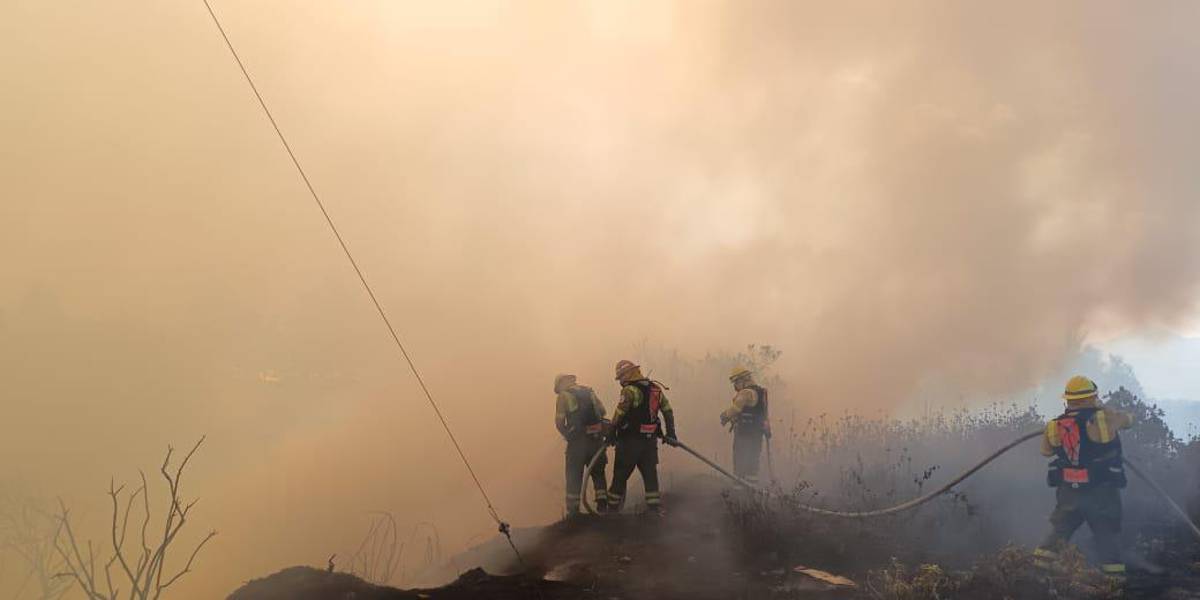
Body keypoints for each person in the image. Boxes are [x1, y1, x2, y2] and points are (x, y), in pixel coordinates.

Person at [1033, 375, 1134, 579]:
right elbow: (1129, 421)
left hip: (1069, 491)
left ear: (1068, 400)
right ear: (1091, 397)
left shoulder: (1054, 426)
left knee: (1059, 530)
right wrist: (1106, 409)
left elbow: (1046, 452)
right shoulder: (1105, 418)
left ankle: (1036, 573)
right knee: (1106, 534)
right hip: (1101, 491)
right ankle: (1114, 582)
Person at [606, 360, 678, 515]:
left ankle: (611, 510)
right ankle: (654, 508)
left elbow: (620, 413)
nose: (621, 382)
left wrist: (611, 432)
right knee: (650, 474)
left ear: (628, 374)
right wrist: (670, 433)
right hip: (649, 441)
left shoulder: (629, 391)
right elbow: (668, 411)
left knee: (620, 475)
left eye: (621, 377)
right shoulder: (655, 389)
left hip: (630, 441)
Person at [554, 373, 609, 516]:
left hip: (577, 443)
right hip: (596, 440)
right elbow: (602, 411)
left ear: (561, 384)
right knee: (598, 473)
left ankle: (574, 511)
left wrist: (568, 435)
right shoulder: (589, 391)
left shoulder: (563, 396)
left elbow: (559, 422)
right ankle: (602, 506)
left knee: (573, 475)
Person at [720, 366, 771, 484]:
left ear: (742, 379)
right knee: (752, 464)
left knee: (740, 463)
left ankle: (739, 492)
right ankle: (752, 492)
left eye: (735, 382)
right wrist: (767, 430)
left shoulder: (746, 392)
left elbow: (736, 409)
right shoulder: (760, 392)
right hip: (756, 434)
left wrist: (724, 416)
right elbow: (764, 414)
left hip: (744, 434)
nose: (735, 386)